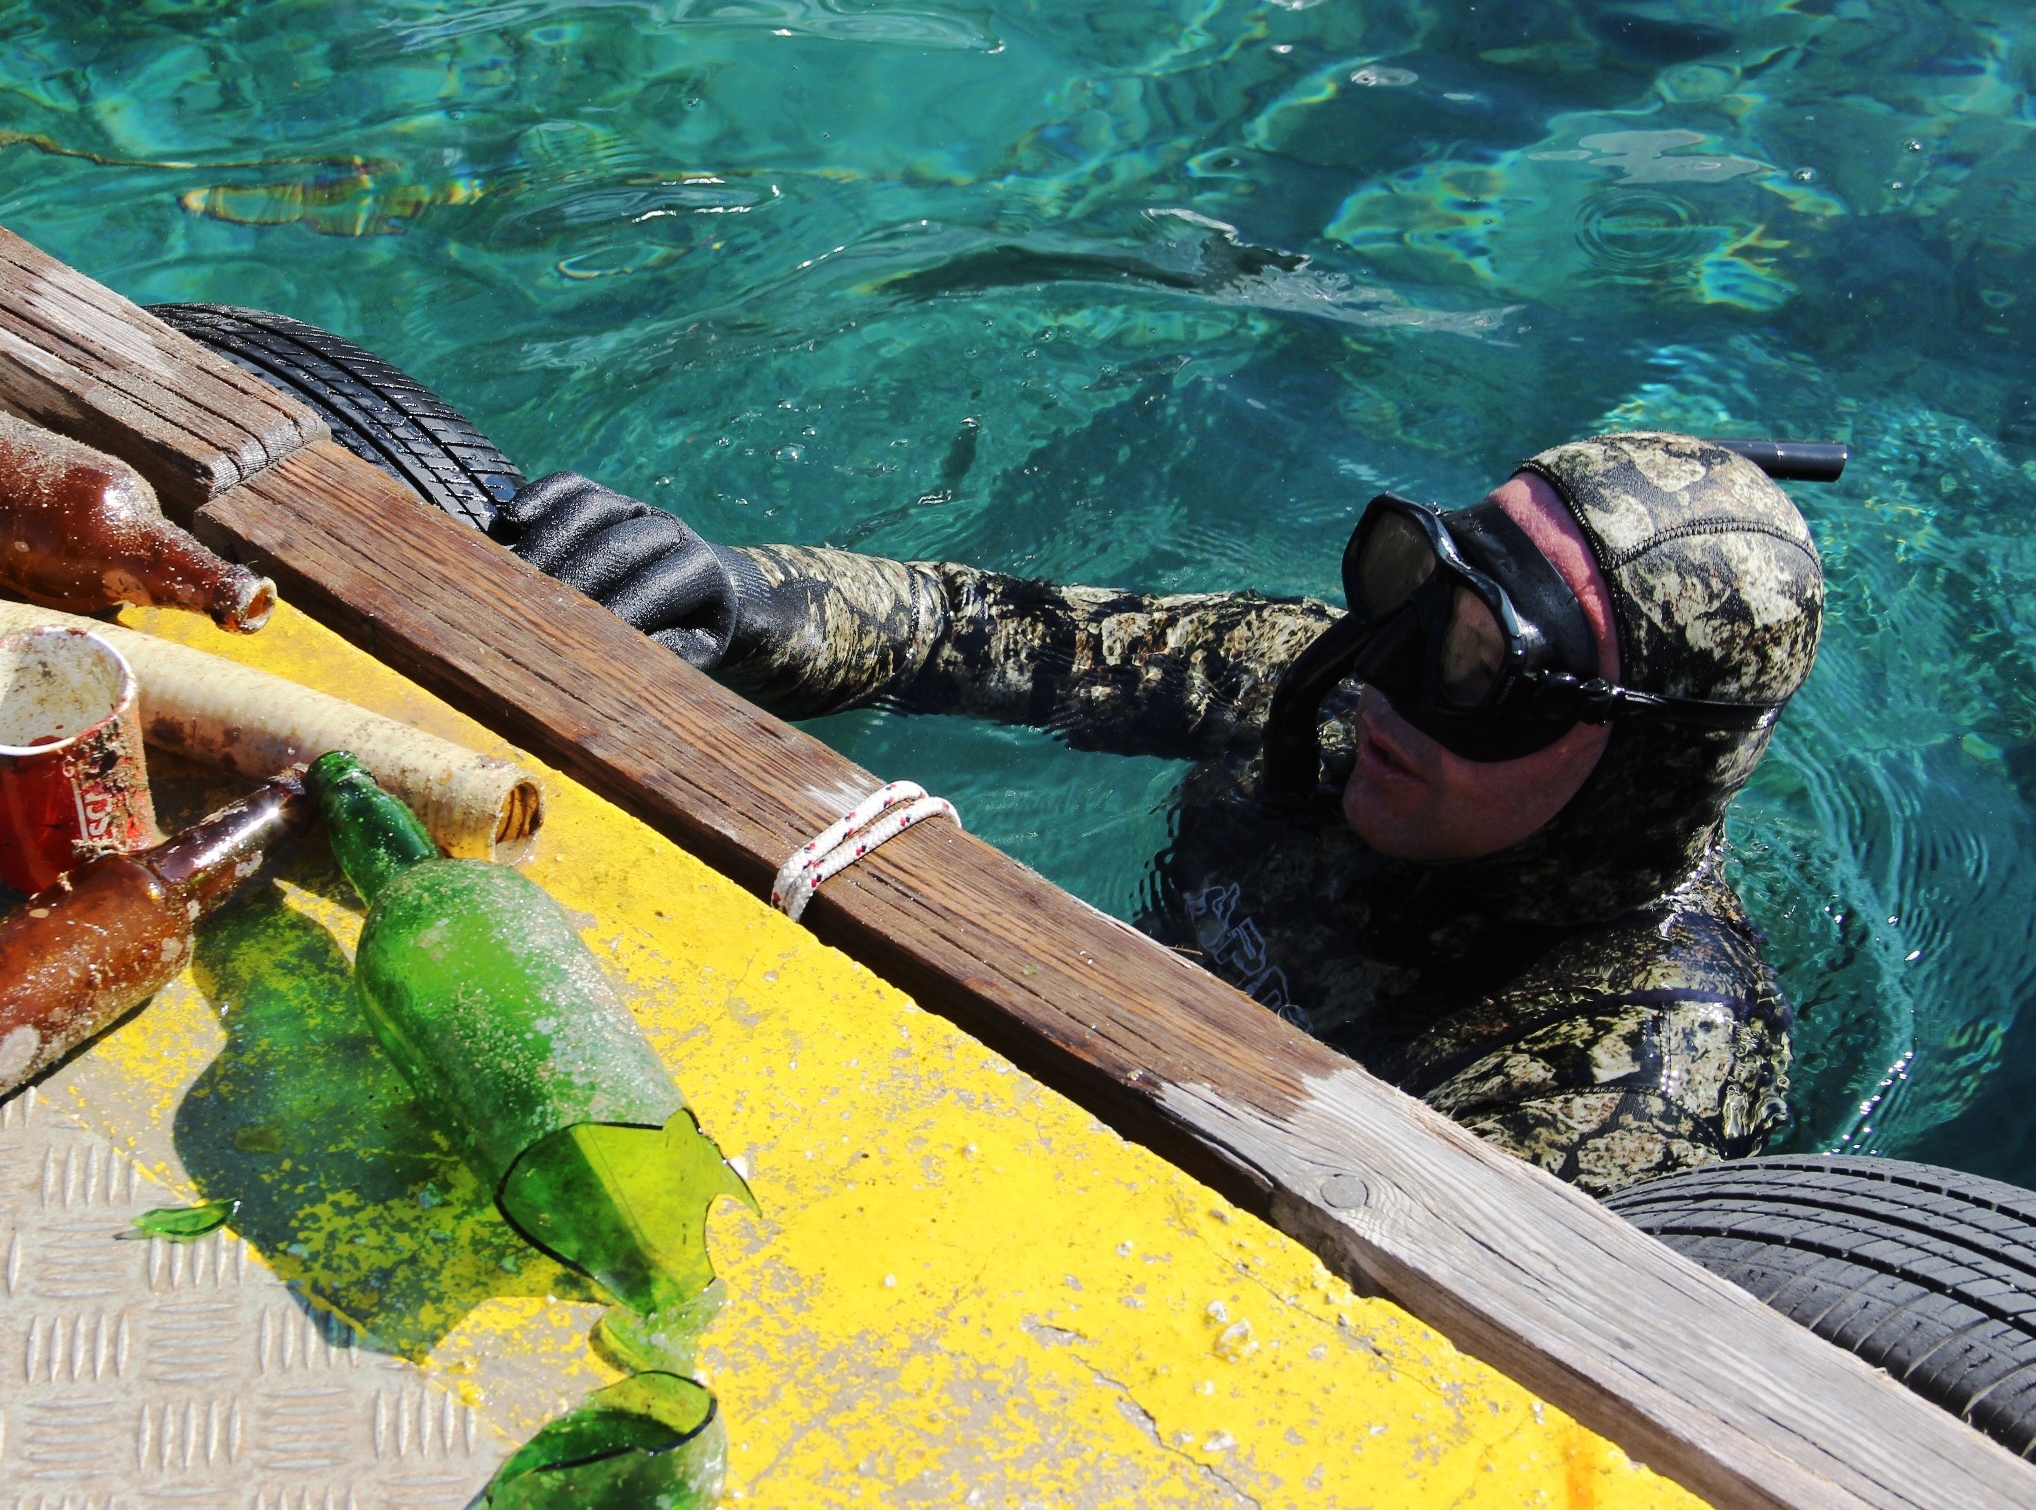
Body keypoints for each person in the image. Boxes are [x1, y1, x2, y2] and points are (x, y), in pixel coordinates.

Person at [496, 432, 1825, 1197]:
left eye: (1478, 667)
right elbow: (977, 634)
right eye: (1409, 590)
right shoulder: (1304, 687)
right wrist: (734, 599)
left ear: (1641, 773)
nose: (1383, 676)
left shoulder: (1635, 1072)